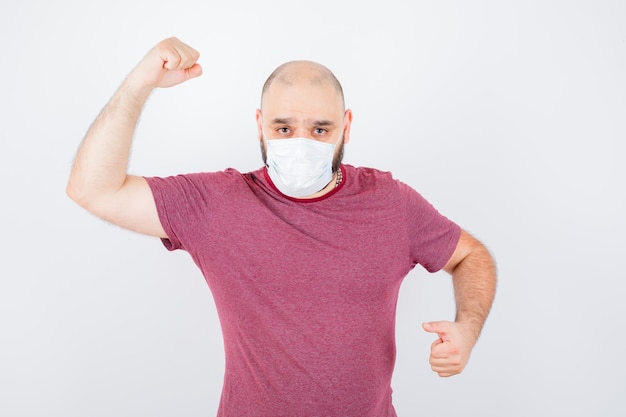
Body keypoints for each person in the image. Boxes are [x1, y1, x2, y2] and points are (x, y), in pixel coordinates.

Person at [67, 37, 496, 417]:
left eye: (320, 128)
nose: (300, 143)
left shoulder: (391, 203)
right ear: (260, 125)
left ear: (346, 126)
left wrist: (468, 327)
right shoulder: (215, 204)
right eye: (283, 127)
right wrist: (139, 84)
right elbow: (93, 190)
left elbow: (469, 256)